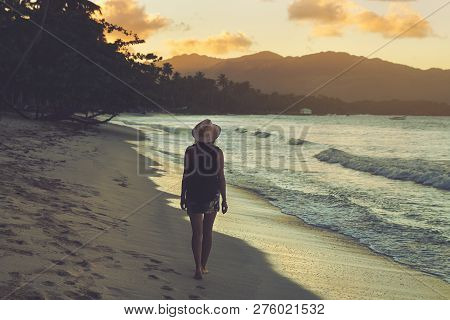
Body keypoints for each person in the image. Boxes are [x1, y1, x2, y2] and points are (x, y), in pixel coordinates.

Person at [180, 119, 228, 280]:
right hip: (211, 193)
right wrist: (224, 199)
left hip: (194, 193)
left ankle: (197, 268)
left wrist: (182, 196)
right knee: (207, 232)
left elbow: (186, 175)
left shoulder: (190, 151)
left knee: (197, 233)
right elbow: (221, 177)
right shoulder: (217, 152)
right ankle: (203, 266)